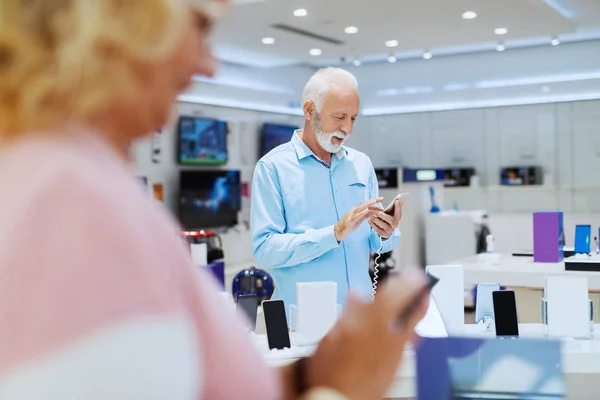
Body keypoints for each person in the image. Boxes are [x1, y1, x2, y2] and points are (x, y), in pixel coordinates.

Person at [0, 1, 428, 399]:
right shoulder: (66, 200)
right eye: (200, 27)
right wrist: (337, 388)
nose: (207, 64)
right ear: (111, 30)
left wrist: (315, 376)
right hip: (301, 324)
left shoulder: (82, 179)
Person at [251, 68, 403, 306]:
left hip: (358, 316)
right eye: (339, 117)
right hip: (304, 321)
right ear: (310, 111)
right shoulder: (272, 168)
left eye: (353, 118)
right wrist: (333, 234)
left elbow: (377, 242)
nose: (348, 129)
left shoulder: (361, 164)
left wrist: (387, 230)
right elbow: (264, 250)